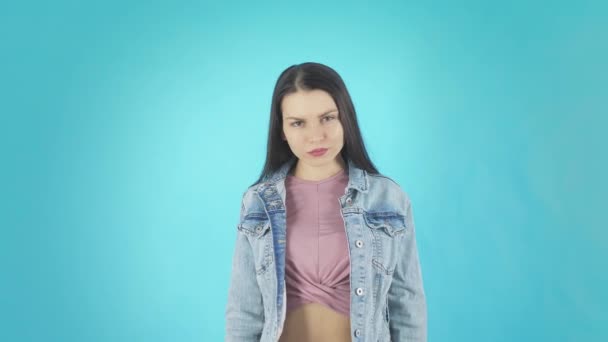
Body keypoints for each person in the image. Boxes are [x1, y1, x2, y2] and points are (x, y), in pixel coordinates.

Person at [225, 62, 427, 342]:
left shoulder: (388, 199)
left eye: (327, 118)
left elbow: (407, 303)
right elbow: (244, 311)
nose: (316, 136)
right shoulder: (257, 201)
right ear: (282, 129)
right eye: (298, 123)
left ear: (345, 117)